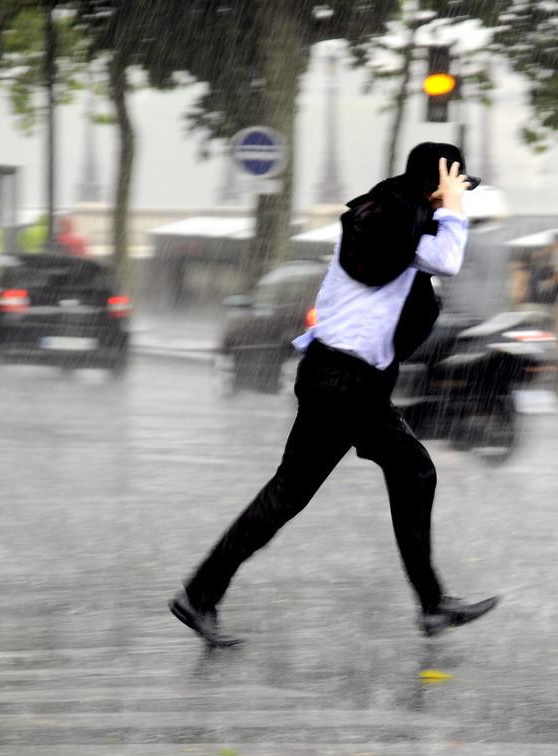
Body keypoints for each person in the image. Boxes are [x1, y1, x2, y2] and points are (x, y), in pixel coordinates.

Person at [170, 143, 499, 646]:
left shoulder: (389, 223)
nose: (455, 199)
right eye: (452, 186)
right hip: (343, 381)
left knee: (368, 481)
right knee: (370, 480)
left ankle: (203, 593)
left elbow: (420, 268)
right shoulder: (396, 223)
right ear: (435, 184)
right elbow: (448, 260)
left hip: (343, 379)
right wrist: (453, 205)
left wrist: (442, 203)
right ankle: (430, 605)